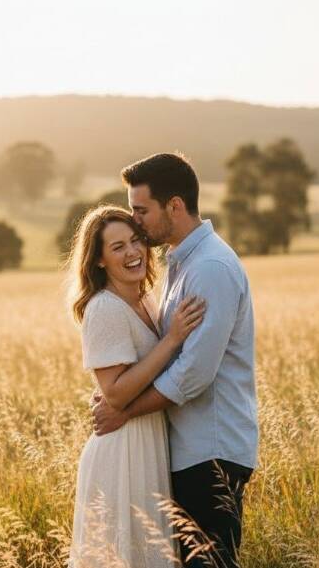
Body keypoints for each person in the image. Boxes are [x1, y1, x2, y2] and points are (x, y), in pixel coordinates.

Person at [92, 152, 259, 568]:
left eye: (141, 211)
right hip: (189, 450)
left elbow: (193, 375)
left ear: (176, 206)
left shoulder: (210, 268)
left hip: (211, 451)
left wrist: (124, 412)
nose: (136, 221)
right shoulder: (181, 264)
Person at [67, 205, 206, 568]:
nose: (132, 253)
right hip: (122, 453)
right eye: (117, 247)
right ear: (98, 260)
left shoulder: (145, 298)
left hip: (147, 443)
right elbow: (114, 393)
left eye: (135, 241)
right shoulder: (104, 308)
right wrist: (172, 338)